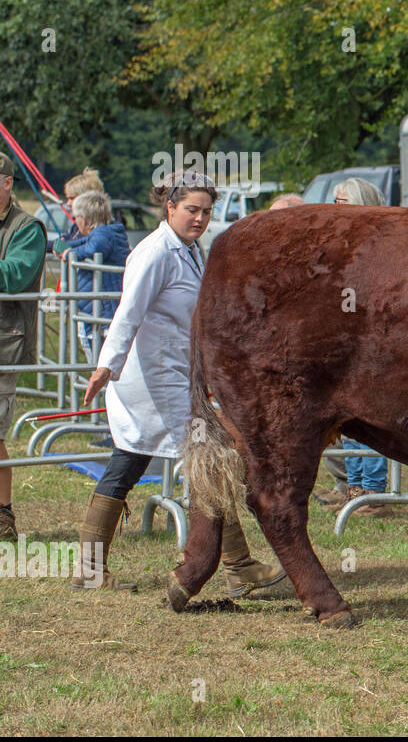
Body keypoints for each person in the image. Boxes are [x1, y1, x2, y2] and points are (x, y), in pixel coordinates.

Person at [75, 169, 285, 595]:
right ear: (170, 207)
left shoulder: (190, 249)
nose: (200, 219)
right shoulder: (154, 253)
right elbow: (128, 313)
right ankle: (237, 566)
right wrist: (105, 366)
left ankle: (89, 569)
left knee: (131, 461)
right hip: (152, 377)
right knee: (210, 457)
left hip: (175, 373)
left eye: (207, 211)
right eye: (191, 209)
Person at [321, 176, 392, 517]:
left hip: (369, 342)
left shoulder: (375, 245)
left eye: (342, 201)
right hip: (343, 339)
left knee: (369, 417)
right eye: (333, 200)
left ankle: (374, 494)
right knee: (346, 417)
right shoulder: (339, 242)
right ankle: (354, 487)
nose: (335, 207)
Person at [0, 152, 49, 544]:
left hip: (4, 345)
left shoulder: (27, 228)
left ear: (6, 183)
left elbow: (15, 277)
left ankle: (3, 516)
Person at [57, 190, 128, 366]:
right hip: (100, 307)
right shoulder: (108, 231)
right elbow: (83, 243)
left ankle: (103, 394)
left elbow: (94, 248)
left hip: (103, 309)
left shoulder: (103, 235)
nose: (75, 223)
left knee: (101, 363)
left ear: (85, 219)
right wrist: (64, 246)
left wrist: (69, 254)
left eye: (75, 219)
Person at [45, 167, 100, 253]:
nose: (68, 203)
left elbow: (81, 244)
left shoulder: (97, 228)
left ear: (86, 198)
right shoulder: (76, 227)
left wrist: (63, 246)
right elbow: (66, 240)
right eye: (67, 198)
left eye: (72, 198)